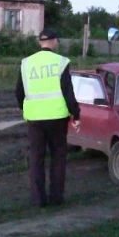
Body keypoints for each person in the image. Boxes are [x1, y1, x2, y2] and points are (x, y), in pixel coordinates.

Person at [14, 28, 81, 207]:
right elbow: (68, 91)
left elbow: (19, 92)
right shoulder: (61, 62)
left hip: (35, 119)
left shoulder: (26, 63)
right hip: (58, 118)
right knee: (58, 157)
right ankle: (56, 197)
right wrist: (76, 113)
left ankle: (38, 199)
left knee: (36, 158)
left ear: (40, 42)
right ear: (54, 41)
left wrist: (26, 107)